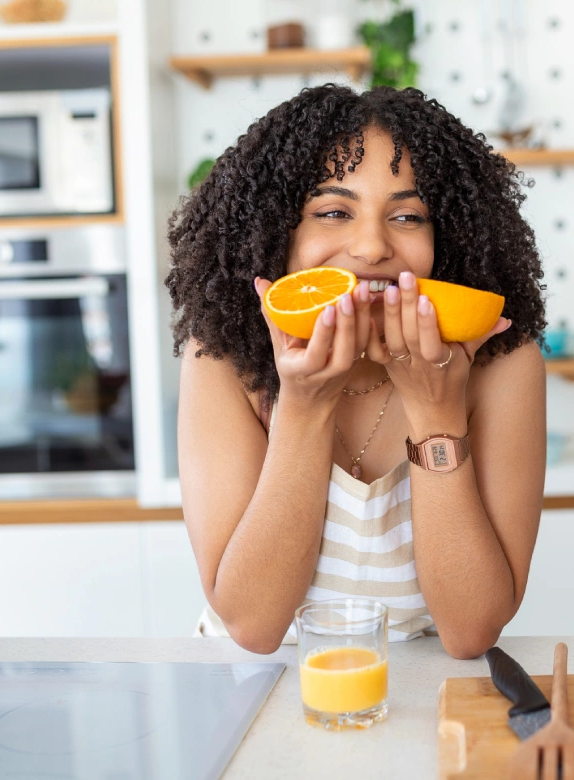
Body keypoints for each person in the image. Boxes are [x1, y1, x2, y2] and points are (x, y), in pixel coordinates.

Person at [166, 83, 547, 659]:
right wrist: (303, 405)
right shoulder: (222, 361)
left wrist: (436, 410)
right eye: (334, 211)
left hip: (418, 702)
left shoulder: (501, 366)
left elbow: (471, 630)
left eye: (408, 215)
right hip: (245, 698)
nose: (371, 247)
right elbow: (253, 625)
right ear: (276, 232)